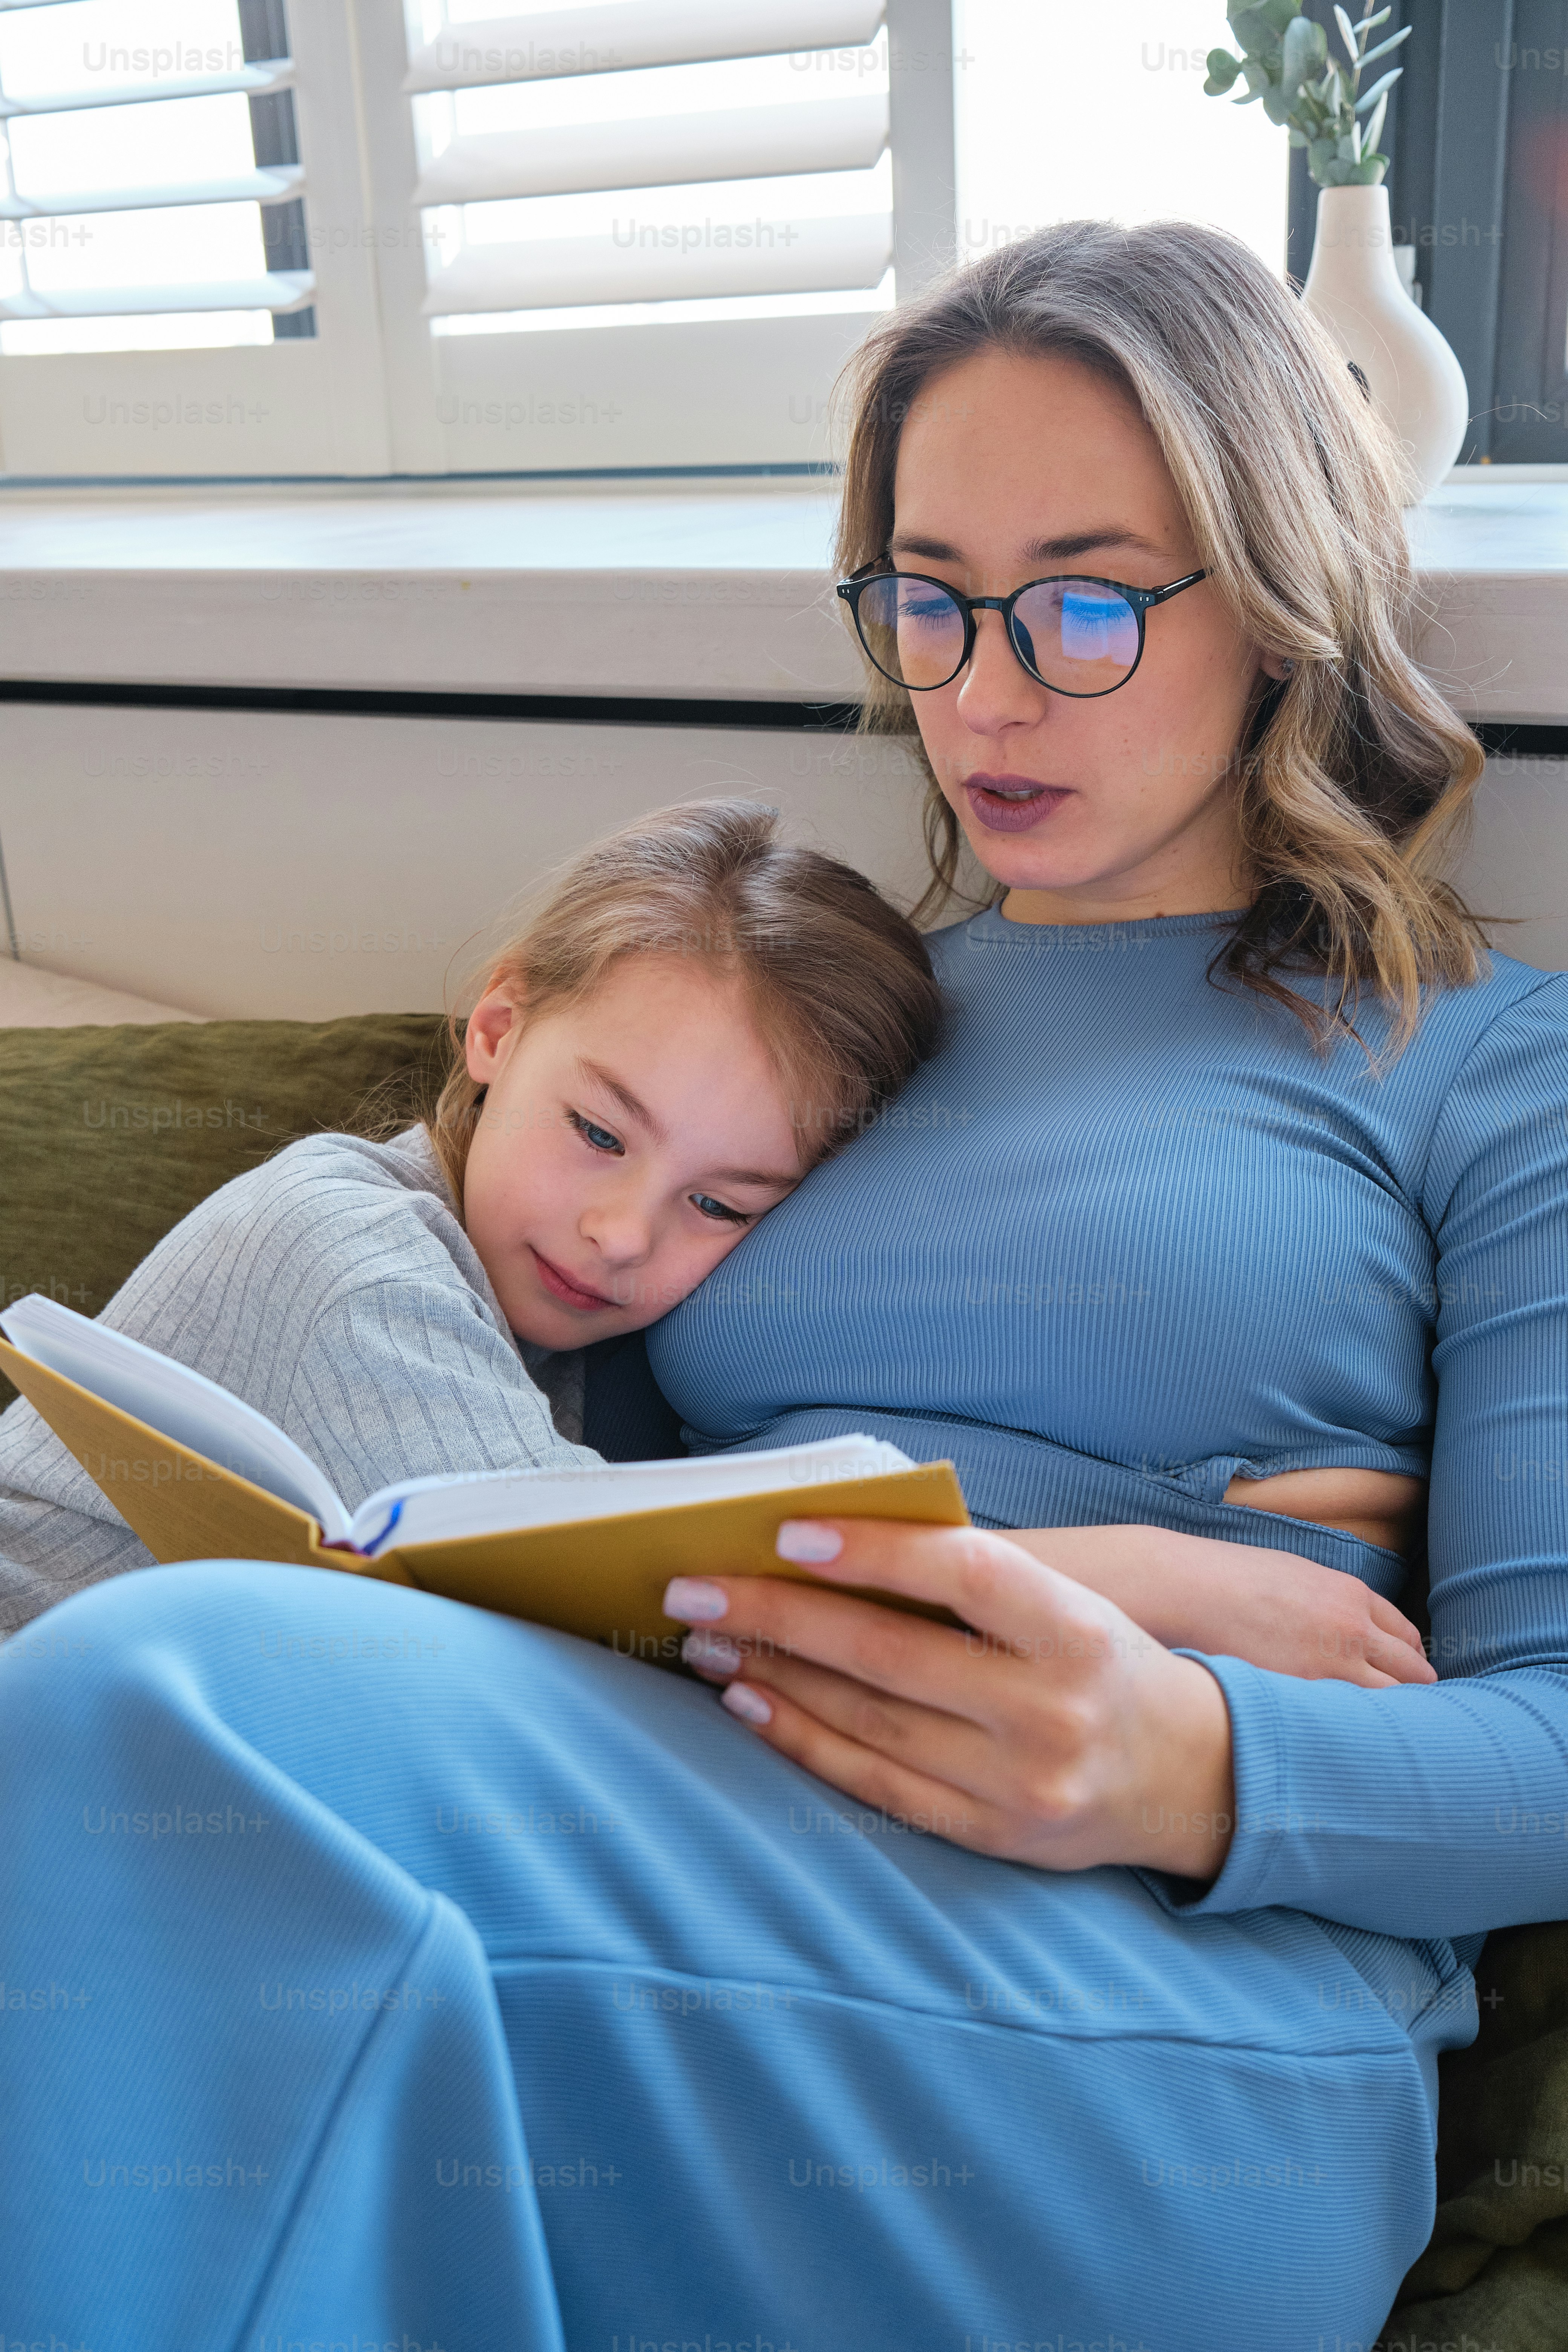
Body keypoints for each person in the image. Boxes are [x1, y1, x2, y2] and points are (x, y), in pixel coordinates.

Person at [5, 219, 1566, 2352]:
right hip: (709, 1838)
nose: (982, 693)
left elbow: (1549, 1745)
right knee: (154, 1764)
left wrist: (1179, 1755)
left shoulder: (1487, 1065)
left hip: (1170, 2004)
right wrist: (1160, 1560)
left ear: (1279, 601)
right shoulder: (820, 1030)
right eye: (928, 601)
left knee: (158, 1713)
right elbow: (586, 1552)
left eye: (1087, 603)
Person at [0, 797, 941, 1626]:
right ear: (496, 1028)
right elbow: (602, 1597)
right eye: (600, 1134)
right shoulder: (347, 1250)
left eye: (714, 1204)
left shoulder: (569, 1335)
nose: (620, 1235)